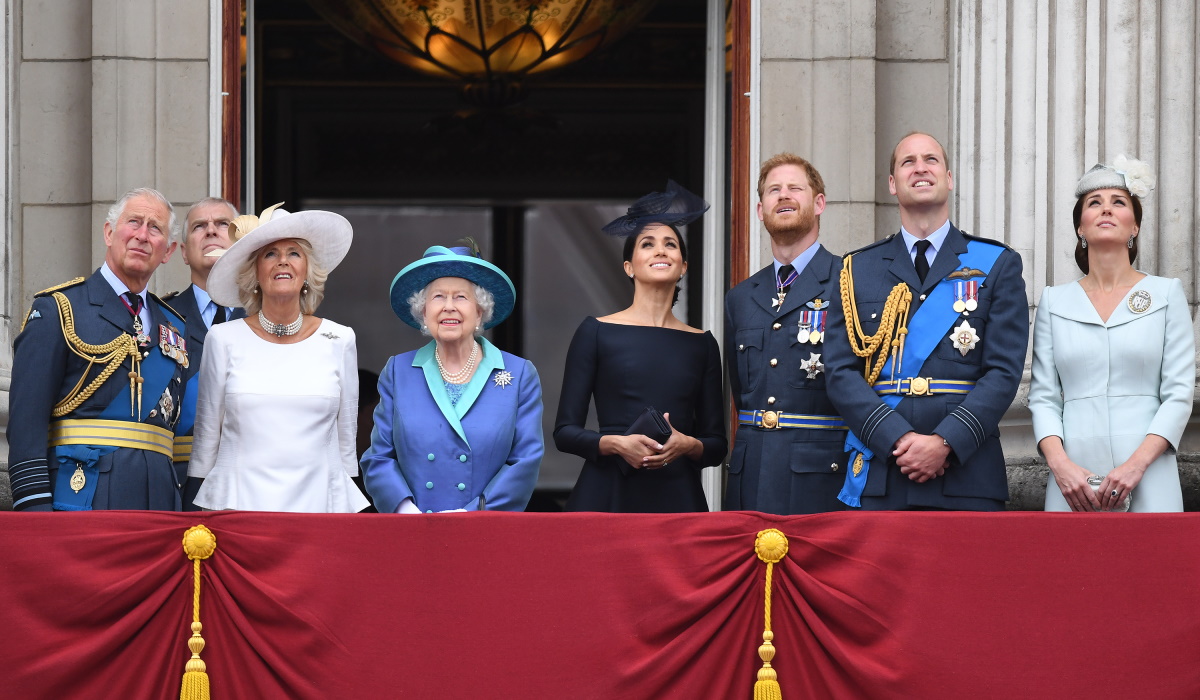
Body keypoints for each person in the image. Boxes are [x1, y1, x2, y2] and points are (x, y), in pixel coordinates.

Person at [823, 132, 1028, 511]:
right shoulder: (856, 269)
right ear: (892, 184)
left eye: (931, 160)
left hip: (967, 474)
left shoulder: (997, 263)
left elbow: (1003, 372)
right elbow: (839, 372)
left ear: (948, 178)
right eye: (908, 161)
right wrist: (896, 439)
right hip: (883, 470)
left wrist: (946, 442)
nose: (920, 168)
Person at [9, 187, 189, 511]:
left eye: (155, 228)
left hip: (160, 507)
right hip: (83, 499)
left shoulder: (174, 328)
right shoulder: (60, 310)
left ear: (168, 251)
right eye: (134, 222)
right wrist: (34, 511)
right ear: (109, 232)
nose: (142, 235)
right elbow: (26, 425)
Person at [1030, 158, 1194, 512]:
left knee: (1153, 566)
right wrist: (1061, 467)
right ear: (1080, 227)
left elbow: (1179, 393)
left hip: (1150, 473)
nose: (1106, 208)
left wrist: (1135, 466)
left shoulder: (1166, 294)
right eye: (1094, 202)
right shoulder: (1054, 301)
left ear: (1134, 226)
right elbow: (1043, 398)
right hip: (1072, 480)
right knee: (1069, 568)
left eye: (1118, 201)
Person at [555, 180, 727, 512]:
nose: (661, 250)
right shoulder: (595, 332)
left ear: (683, 267)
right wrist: (616, 444)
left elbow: (717, 445)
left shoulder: (703, 344)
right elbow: (565, 432)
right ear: (629, 267)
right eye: (647, 244)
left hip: (677, 499)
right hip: (607, 495)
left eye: (671, 245)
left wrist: (687, 444)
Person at [187, 203, 369, 512]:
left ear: (307, 271)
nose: (282, 261)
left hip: (319, 510)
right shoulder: (223, 338)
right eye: (270, 254)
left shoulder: (340, 339)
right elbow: (206, 442)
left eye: (294, 253)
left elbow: (345, 447)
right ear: (254, 273)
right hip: (237, 510)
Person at [361, 243, 544, 513]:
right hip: (413, 528)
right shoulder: (398, 371)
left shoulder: (519, 374)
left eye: (460, 297)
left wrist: (471, 514)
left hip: (485, 530)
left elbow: (525, 460)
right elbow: (378, 456)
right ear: (423, 312)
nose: (449, 307)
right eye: (437, 297)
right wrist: (404, 510)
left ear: (480, 311)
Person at [724, 153, 847, 514]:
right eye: (774, 190)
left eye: (795, 187)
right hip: (751, 472)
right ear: (760, 210)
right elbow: (740, 391)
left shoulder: (849, 282)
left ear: (819, 203)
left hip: (821, 475)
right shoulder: (741, 297)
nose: (784, 195)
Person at [163, 197, 246, 510]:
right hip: (179, 486)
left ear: (241, 244)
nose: (211, 231)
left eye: (223, 225)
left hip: (251, 485)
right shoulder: (159, 317)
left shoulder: (267, 320)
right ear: (184, 253)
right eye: (199, 226)